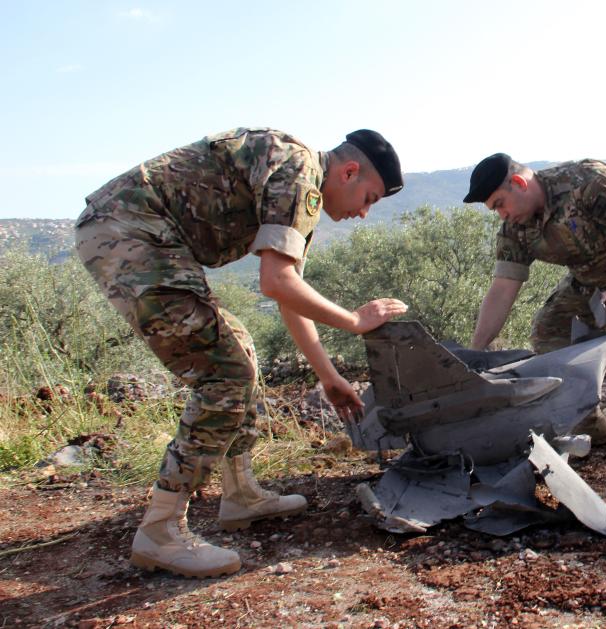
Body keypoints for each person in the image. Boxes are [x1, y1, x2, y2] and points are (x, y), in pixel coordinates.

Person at [75, 127, 407, 578]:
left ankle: (240, 495)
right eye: (369, 197)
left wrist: (329, 377)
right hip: (129, 233)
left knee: (240, 349)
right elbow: (277, 283)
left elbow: (287, 292)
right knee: (225, 373)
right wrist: (353, 321)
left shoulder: (299, 180)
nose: (365, 213)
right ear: (349, 171)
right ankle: (160, 530)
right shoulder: (299, 174)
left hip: (139, 234)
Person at [464, 153, 606, 449]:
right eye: (494, 210)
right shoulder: (515, 229)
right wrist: (474, 357)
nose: (501, 214)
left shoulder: (585, 183)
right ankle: (588, 422)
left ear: (519, 182)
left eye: (500, 203)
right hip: (590, 274)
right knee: (550, 332)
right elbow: (502, 290)